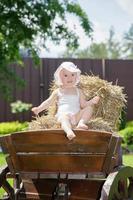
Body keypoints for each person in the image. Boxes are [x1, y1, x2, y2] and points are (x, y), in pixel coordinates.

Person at [32, 62, 100, 140]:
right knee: (64, 119)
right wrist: (39, 109)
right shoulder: (58, 91)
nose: (69, 78)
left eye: (72, 75)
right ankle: (68, 131)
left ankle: (81, 124)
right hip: (64, 115)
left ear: (76, 76)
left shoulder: (78, 91)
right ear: (60, 78)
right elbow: (48, 102)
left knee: (89, 108)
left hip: (76, 116)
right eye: (65, 75)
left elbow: (83, 105)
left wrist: (91, 102)